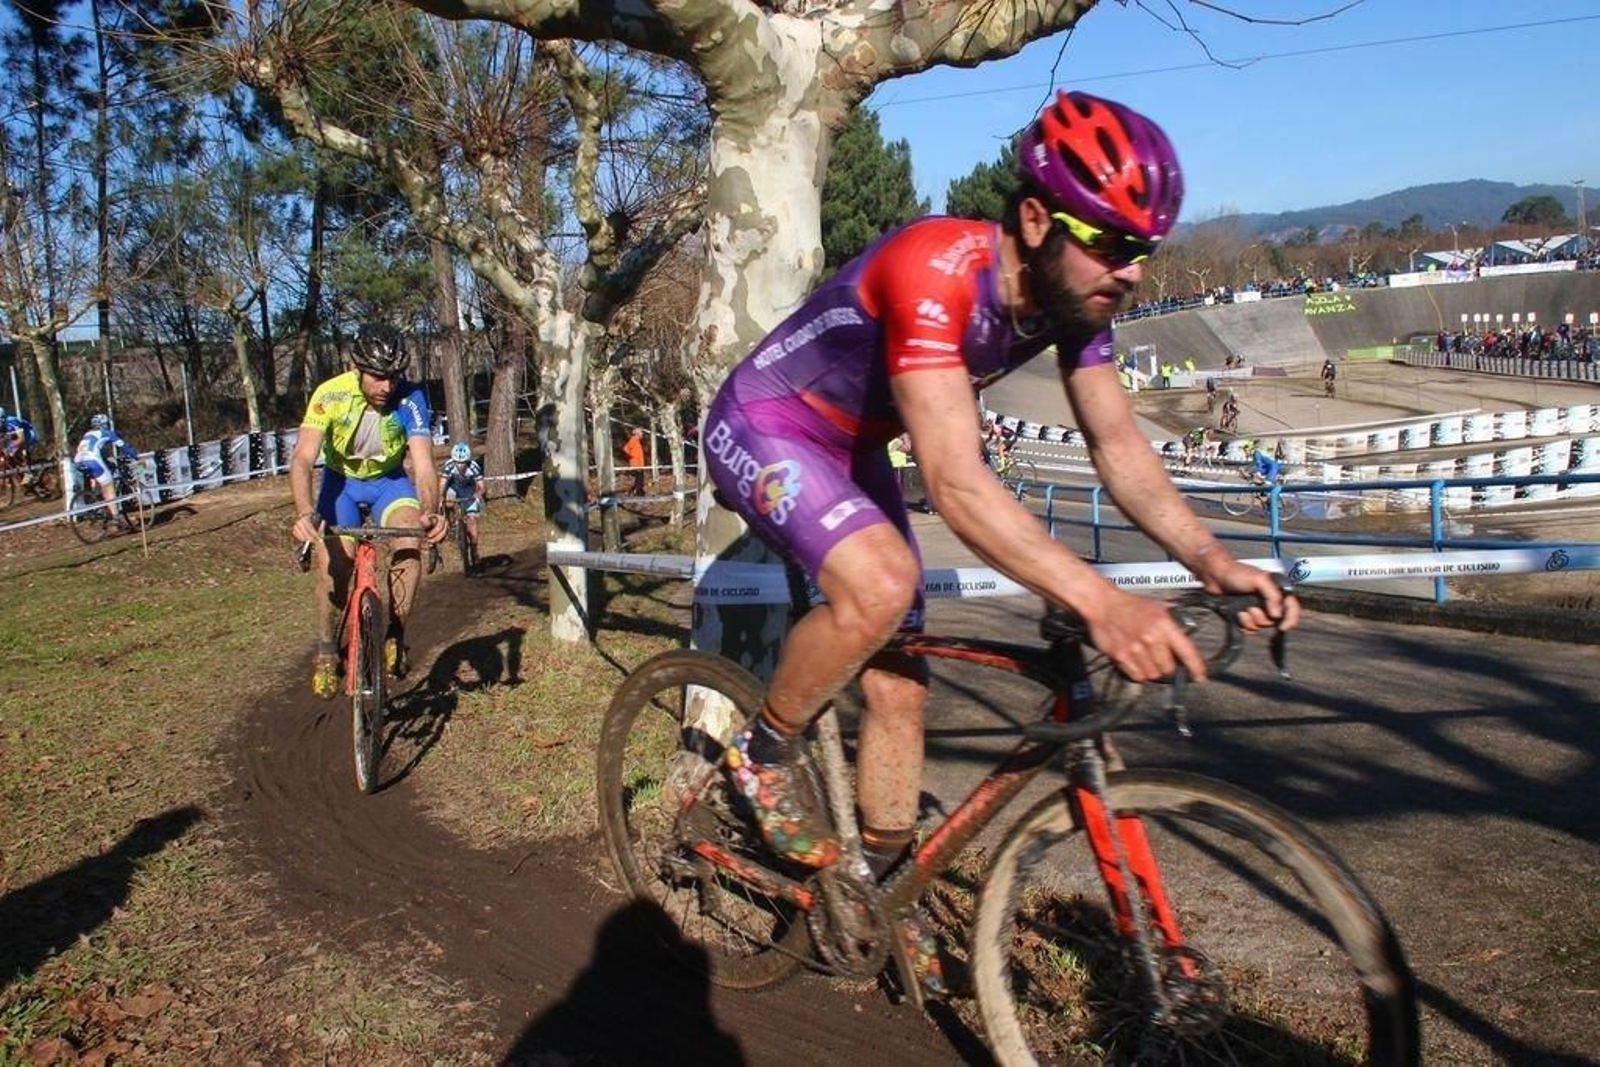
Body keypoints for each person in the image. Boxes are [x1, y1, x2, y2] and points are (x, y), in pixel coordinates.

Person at [703, 89, 1295, 995]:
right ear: (1032, 218)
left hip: (852, 443)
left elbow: (1119, 449)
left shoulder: (1074, 306)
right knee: (881, 583)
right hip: (771, 421)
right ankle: (765, 750)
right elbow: (957, 483)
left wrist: (1212, 560)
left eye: (1144, 249)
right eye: (1111, 242)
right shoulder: (935, 267)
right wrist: (1100, 600)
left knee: (900, 687)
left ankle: (876, 893)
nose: (1131, 270)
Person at [289, 326, 447, 699]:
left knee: (410, 540)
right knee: (333, 571)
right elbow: (302, 459)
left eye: (393, 376)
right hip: (340, 483)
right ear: (354, 367)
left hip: (389, 483)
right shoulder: (331, 394)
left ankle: (396, 633)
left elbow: (423, 465)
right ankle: (328, 651)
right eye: (377, 376)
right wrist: (305, 512)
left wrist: (430, 511)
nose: (386, 386)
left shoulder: (410, 398)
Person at [72, 414, 140, 526]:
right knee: (108, 485)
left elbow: (96, 450)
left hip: (79, 461)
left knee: (97, 479)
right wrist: (134, 455)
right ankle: (115, 517)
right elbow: (123, 445)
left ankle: (97, 500)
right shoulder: (107, 433)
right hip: (92, 460)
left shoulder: (87, 434)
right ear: (104, 425)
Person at [438, 440, 485, 568]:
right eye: (457, 462)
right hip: (454, 488)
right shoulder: (448, 466)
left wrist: (477, 494)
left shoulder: (474, 467)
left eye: (462, 462)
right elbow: (442, 484)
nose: (459, 465)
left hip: (469, 491)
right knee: (447, 501)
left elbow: (481, 486)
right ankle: (451, 522)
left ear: (467, 460)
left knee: (472, 520)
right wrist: (441, 496)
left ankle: (474, 550)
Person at [1, 405, 38, 483]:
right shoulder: (2, 425)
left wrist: (9, 448)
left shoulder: (12, 421)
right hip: (15, 436)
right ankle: (19, 471)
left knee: (15, 450)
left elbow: (21, 439)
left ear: (3, 419)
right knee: (7, 451)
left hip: (29, 435)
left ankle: (28, 473)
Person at [620, 427, 647, 496]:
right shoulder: (633, 439)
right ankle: (637, 494)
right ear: (637, 433)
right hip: (636, 464)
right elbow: (626, 448)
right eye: (641, 432)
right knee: (639, 480)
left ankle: (636, 493)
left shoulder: (637, 441)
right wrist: (632, 457)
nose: (642, 434)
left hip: (640, 465)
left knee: (639, 480)